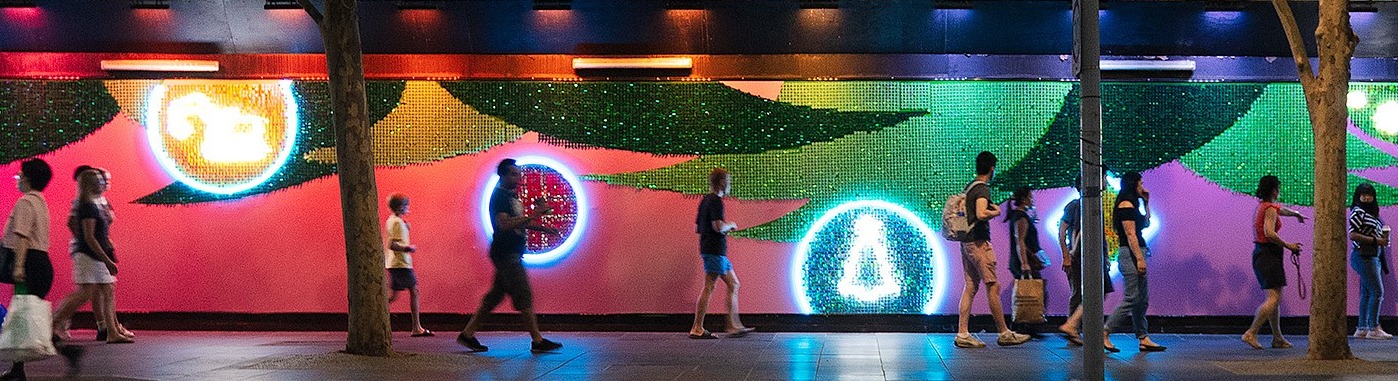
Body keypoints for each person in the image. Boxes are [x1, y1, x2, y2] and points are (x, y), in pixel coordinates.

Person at [457, 159, 563, 353]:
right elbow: (504, 224)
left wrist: (543, 228)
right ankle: (537, 340)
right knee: (523, 293)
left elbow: (517, 222)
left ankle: (467, 334)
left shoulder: (511, 197)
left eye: (518, 173)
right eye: (513, 174)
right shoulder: (499, 198)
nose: (518, 177)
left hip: (509, 252)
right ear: (503, 175)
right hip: (506, 254)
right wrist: (535, 214)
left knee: (494, 297)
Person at [2, 159, 84, 380]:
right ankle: (20, 369)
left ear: (27, 179)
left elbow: (22, 235)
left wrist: (18, 266)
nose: (18, 179)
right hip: (41, 262)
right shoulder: (40, 202)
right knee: (27, 315)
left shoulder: (25, 202)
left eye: (20, 175)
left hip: (29, 262)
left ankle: (64, 353)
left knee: (24, 314)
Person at [954, 151, 1031, 348]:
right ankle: (1004, 332)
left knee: (971, 286)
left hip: (967, 243)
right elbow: (980, 213)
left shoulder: (969, 187)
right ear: (992, 168)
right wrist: (995, 212)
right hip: (979, 243)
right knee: (993, 286)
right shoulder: (982, 189)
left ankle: (962, 332)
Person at [52, 167, 134, 344]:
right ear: (90, 185)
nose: (103, 182)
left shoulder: (97, 203)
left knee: (106, 290)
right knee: (86, 293)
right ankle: (54, 323)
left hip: (96, 253)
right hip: (90, 254)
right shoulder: (87, 206)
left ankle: (112, 330)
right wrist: (106, 259)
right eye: (99, 180)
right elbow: (89, 236)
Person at [688, 168, 755, 340]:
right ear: (723, 182)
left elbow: (698, 228)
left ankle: (733, 326)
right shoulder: (716, 201)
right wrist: (730, 225)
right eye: (728, 181)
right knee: (709, 286)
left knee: (734, 284)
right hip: (714, 251)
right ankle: (697, 327)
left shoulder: (705, 201)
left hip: (714, 251)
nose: (729, 184)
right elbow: (717, 227)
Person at [1103, 171, 1166, 353]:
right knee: (1132, 297)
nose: (1143, 186)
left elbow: (1145, 224)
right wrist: (1139, 259)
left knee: (1141, 299)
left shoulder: (1133, 203)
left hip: (1137, 252)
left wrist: (1146, 203)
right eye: (1141, 182)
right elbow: (1130, 235)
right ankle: (1105, 331)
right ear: (1134, 183)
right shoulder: (1125, 204)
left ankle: (1143, 337)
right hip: (1130, 254)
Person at [1242, 175, 1306, 349]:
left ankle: (1277, 338)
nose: (1279, 191)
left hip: (1264, 254)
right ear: (1273, 190)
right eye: (1278, 188)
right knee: (1274, 298)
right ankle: (1251, 332)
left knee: (1274, 298)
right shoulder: (1269, 208)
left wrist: (1295, 214)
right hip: (1267, 255)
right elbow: (1269, 233)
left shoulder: (1264, 206)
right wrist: (1289, 245)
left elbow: (1280, 210)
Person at [1057, 175, 1113, 346]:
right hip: (1081, 257)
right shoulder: (1077, 206)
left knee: (1081, 294)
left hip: (1087, 257)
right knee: (1093, 293)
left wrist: (1106, 255)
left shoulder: (1090, 205)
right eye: (1102, 177)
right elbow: (1062, 231)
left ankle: (1073, 328)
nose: (1104, 181)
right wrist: (1066, 255)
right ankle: (1072, 325)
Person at [384, 193, 431, 337]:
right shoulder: (397, 222)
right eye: (406, 206)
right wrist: (407, 248)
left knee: (393, 296)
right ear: (400, 207)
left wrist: (405, 227)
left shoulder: (394, 221)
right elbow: (391, 244)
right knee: (414, 291)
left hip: (395, 263)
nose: (407, 208)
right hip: (401, 264)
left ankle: (371, 315)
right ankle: (416, 327)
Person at [1348, 183, 1391, 340]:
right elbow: (1352, 234)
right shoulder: (1358, 212)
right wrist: (1375, 241)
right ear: (1358, 196)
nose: (1367, 198)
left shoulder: (1370, 214)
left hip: (1372, 255)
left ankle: (1362, 327)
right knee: (1377, 291)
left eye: (1369, 195)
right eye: (1363, 194)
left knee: (1366, 293)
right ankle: (1373, 327)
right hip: (1364, 255)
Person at [1004, 186, 1048, 338]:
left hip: (1022, 260)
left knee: (1031, 292)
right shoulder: (1020, 217)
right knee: (1034, 292)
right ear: (1024, 199)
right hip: (1024, 261)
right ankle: (1025, 324)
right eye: (1031, 196)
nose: (1033, 199)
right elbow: (1020, 241)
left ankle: (1025, 324)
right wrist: (1024, 263)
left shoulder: (1021, 215)